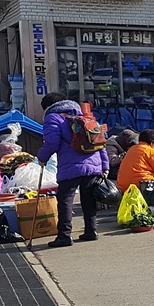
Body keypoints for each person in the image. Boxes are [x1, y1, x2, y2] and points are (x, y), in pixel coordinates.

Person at [38, 92, 109, 248]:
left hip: (70, 166)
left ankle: (64, 236)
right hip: (93, 164)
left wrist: (41, 157)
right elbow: (100, 141)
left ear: (48, 107)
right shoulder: (85, 115)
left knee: (65, 200)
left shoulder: (53, 118)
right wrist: (105, 166)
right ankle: (91, 231)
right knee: (88, 199)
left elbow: (51, 143)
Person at [116, 128, 154, 193]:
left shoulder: (132, 149)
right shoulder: (150, 151)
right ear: (153, 143)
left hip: (123, 187)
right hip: (141, 186)